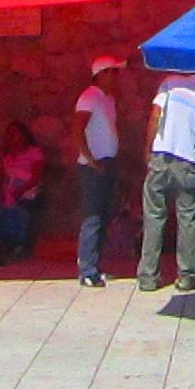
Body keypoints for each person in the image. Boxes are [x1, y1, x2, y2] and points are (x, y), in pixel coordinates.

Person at [138, 70, 195, 293]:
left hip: (161, 157)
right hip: (189, 163)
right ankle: (187, 275)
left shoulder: (170, 84)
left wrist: (148, 150)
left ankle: (148, 276)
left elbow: (155, 116)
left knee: (153, 217)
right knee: (187, 220)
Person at [73, 54, 124, 288]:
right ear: (101, 74)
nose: (116, 76)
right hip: (94, 165)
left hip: (108, 162)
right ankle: (87, 269)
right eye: (113, 72)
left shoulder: (108, 98)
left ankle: (96, 265)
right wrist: (90, 159)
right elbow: (77, 130)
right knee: (92, 216)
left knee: (104, 215)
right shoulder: (89, 98)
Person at [0, 120, 46, 259]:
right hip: (8, 190)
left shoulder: (34, 152)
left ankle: (21, 244)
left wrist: (21, 189)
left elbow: (37, 176)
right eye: (9, 133)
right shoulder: (4, 156)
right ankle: (7, 241)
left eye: (15, 133)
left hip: (27, 189)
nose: (11, 136)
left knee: (22, 210)